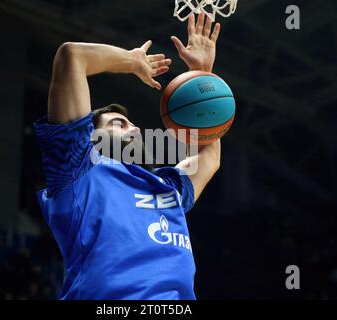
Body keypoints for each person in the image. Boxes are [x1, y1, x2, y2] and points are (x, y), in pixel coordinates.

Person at [34, 13, 222, 300]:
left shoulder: (166, 186)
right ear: (89, 138)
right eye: (117, 124)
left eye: (132, 124)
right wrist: (131, 60)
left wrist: (203, 75)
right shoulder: (78, 167)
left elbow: (210, 158)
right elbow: (72, 56)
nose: (133, 128)